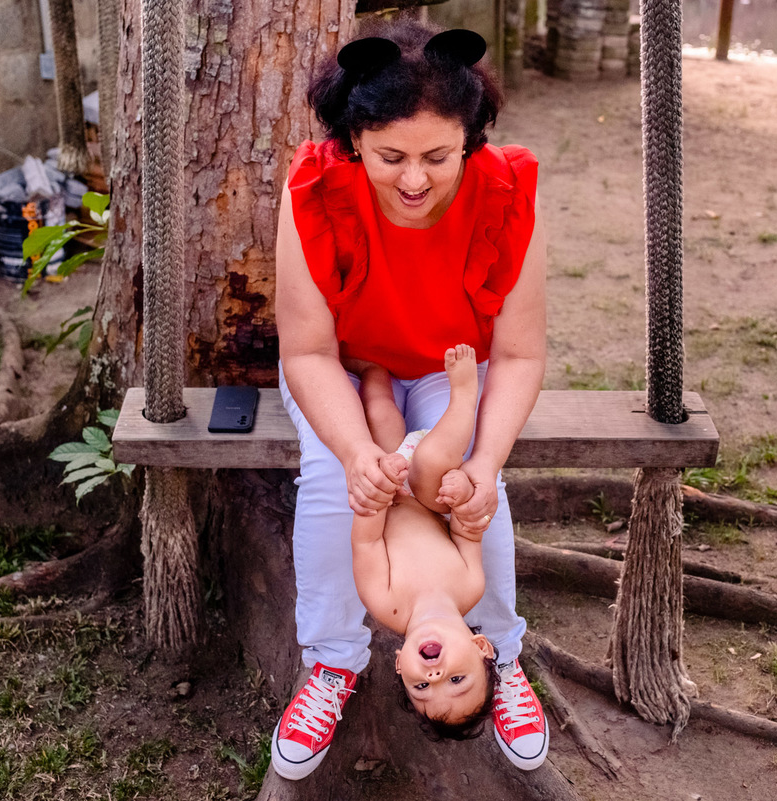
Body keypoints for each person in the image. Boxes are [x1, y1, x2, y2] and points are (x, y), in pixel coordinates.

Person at [271, 21, 549, 781]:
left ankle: (500, 652)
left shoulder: (507, 192)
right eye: (391, 157)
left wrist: (485, 463)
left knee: (472, 484)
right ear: (355, 140)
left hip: (450, 366)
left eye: (439, 156)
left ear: (470, 139)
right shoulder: (313, 189)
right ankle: (332, 660)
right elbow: (307, 352)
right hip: (344, 364)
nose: (416, 180)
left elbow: (520, 354)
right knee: (332, 478)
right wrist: (359, 452)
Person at [349, 344, 499, 737]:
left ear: (400, 665)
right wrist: (462, 494)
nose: (435, 675)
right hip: (428, 493)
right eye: (457, 680)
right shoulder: (470, 586)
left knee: (380, 412)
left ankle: (372, 367)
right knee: (434, 459)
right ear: (481, 647)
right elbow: (467, 529)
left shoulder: (385, 603)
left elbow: (366, 544)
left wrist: (379, 492)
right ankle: (464, 396)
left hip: (390, 488)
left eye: (421, 688)